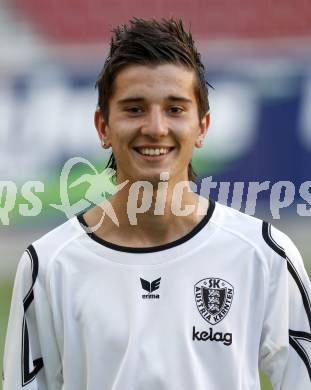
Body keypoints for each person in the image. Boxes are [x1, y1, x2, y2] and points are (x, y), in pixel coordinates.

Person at [3, 18, 311, 390]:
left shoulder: (265, 256)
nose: (155, 127)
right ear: (103, 127)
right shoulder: (48, 267)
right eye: (134, 109)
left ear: (203, 127)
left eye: (175, 109)